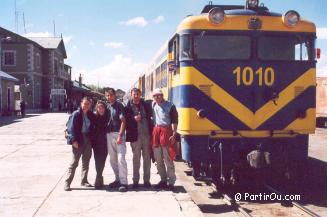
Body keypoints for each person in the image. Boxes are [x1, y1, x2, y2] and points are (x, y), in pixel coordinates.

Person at [64, 97, 95, 191]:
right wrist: (73, 141)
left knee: (86, 162)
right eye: (84, 104)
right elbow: (70, 128)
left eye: (88, 104)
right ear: (81, 103)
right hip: (78, 139)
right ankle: (67, 182)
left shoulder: (90, 114)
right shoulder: (76, 114)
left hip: (87, 140)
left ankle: (84, 181)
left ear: (90, 105)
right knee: (74, 162)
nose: (86, 106)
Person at [125, 88, 153, 188]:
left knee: (147, 159)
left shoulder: (145, 105)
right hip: (135, 136)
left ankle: (146, 180)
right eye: (134, 94)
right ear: (131, 95)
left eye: (137, 94)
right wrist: (133, 119)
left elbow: (151, 118)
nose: (136, 96)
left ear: (140, 95)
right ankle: (135, 181)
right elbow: (125, 121)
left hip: (146, 135)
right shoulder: (127, 107)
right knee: (136, 159)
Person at [152, 88, 178, 190]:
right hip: (157, 131)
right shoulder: (153, 105)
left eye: (159, 95)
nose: (157, 97)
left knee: (168, 158)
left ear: (162, 96)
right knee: (158, 159)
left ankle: (171, 182)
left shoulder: (170, 105)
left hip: (167, 131)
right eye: (155, 96)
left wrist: (174, 133)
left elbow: (175, 120)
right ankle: (163, 180)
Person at [105, 88, 128, 192]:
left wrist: (120, 135)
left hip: (118, 134)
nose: (109, 97)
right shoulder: (107, 106)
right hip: (109, 135)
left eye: (111, 95)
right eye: (107, 95)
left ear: (114, 95)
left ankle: (124, 182)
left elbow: (123, 121)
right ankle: (117, 179)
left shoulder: (119, 106)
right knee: (112, 159)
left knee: (120, 158)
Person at [93, 100, 109, 189]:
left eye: (102, 107)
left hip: (106, 142)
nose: (101, 109)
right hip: (96, 142)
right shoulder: (94, 117)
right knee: (97, 160)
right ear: (97, 108)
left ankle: (99, 177)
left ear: (105, 108)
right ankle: (99, 177)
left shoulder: (108, 117)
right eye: (99, 108)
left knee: (102, 160)